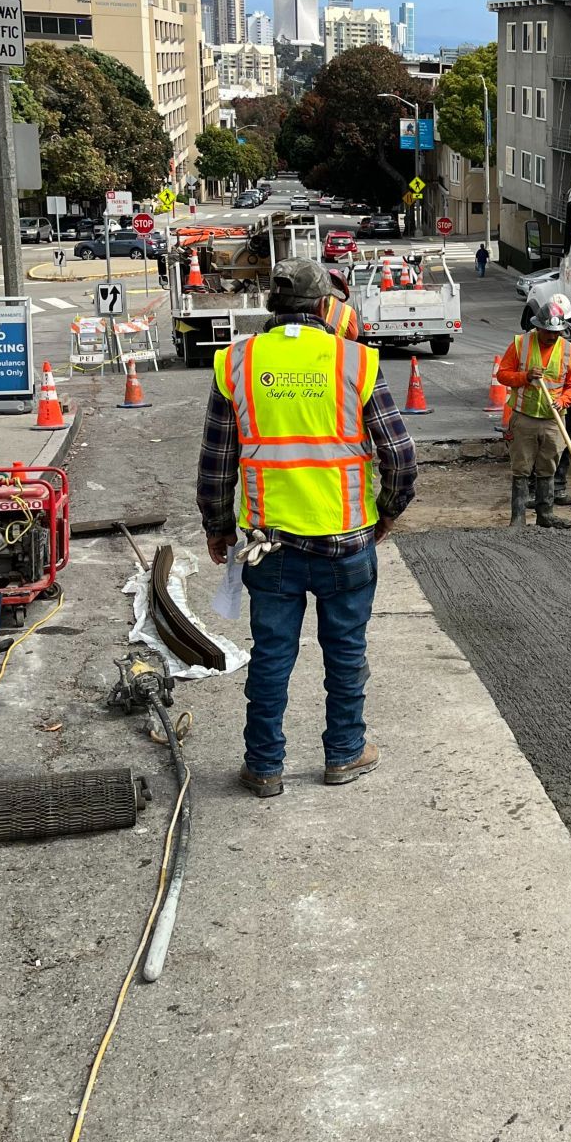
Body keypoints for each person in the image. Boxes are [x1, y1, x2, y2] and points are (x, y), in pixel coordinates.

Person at [198, 257, 417, 798]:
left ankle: (264, 766)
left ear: (273, 306)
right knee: (345, 652)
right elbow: (400, 455)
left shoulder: (237, 363)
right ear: (325, 306)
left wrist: (218, 527)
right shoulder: (355, 362)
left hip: (269, 547)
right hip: (346, 542)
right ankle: (343, 754)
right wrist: (388, 510)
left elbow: (216, 462)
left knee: (272, 655)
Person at [495, 292, 571, 528]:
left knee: (548, 466)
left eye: (556, 333)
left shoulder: (569, 350)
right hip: (524, 417)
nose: (552, 337)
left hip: (553, 419)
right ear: (538, 328)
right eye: (548, 333)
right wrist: (525, 376)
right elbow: (502, 375)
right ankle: (518, 518)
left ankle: (545, 515)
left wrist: (564, 400)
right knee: (522, 467)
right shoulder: (521, 343)